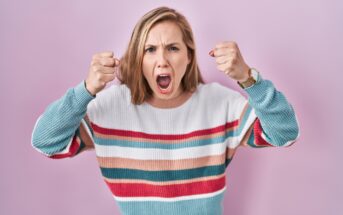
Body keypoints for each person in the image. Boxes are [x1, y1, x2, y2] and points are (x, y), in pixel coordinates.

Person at [31, 6, 299, 215]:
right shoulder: (110, 107)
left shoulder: (220, 104)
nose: (162, 61)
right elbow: (45, 142)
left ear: (189, 56)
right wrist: (87, 89)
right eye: (150, 49)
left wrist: (248, 79)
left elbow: (284, 133)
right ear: (138, 58)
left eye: (172, 48)